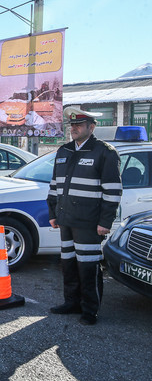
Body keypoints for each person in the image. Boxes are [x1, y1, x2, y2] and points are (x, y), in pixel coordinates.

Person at [47, 107, 122, 325]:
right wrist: (53, 213)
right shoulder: (64, 151)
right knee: (68, 263)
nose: (74, 129)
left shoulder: (104, 152)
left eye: (79, 125)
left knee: (88, 266)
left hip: (89, 223)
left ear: (91, 127)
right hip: (66, 220)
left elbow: (113, 190)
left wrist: (105, 221)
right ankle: (71, 302)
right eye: (72, 125)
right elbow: (54, 186)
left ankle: (90, 310)